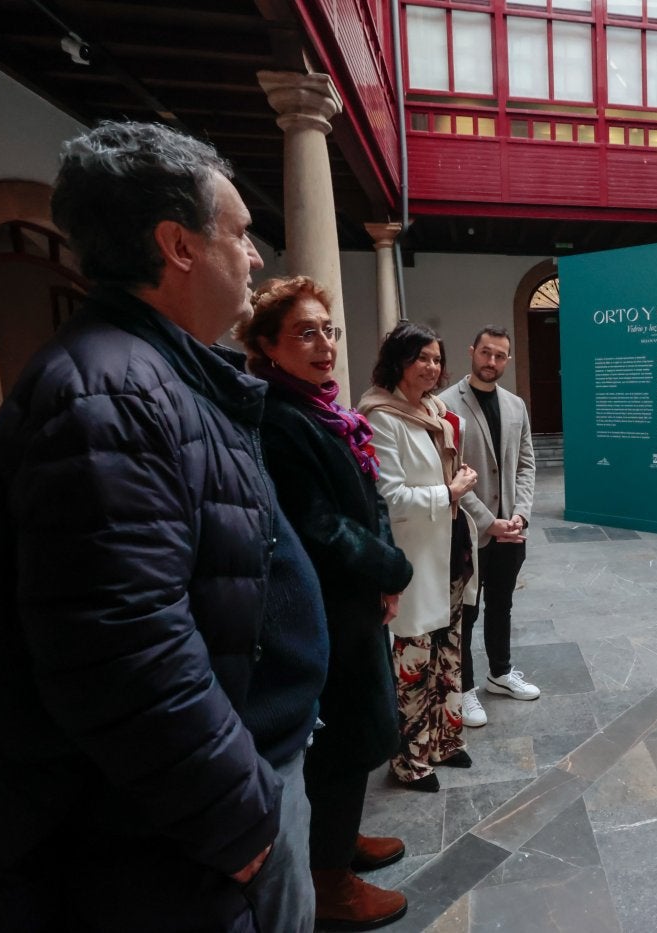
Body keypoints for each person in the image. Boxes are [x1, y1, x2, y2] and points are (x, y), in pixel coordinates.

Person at [0, 121, 299, 931]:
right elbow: (125, 645)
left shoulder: (155, 373)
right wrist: (234, 812)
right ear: (177, 244)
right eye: (240, 235)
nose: (254, 258)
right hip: (146, 847)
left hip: (164, 827)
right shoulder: (109, 396)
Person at [238, 276, 415, 929]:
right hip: (323, 606)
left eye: (329, 330)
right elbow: (315, 522)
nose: (324, 344)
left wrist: (386, 575)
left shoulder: (324, 409)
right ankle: (330, 881)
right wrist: (389, 564)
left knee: (357, 735)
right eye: (305, 332)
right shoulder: (281, 420)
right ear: (267, 345)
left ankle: (337, 844)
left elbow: (368, 502)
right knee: (342, 740)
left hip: (357, 595)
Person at [359, 323, 477, 792]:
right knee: (414, 659)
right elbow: (388, 496)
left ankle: (445, 740)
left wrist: (456, 483)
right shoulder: (380, 415)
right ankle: (409, 760)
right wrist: (449, 490)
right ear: (398, 361)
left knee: (448, 652)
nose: (431, 367)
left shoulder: (435, 409)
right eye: (421, 358)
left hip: (450, 548)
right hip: (415, 555)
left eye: (435, 359)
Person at [438, 326, 540, 728]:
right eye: (485, 353)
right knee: (467, 611)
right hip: (469, 529)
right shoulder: (446, 404)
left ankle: (500, 673)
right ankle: (464, 689)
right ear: (472, 351)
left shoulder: (515, 405)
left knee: (503, 604)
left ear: (508, 359)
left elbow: (527, 463)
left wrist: (522, 514)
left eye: (499, 355)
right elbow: (451, 472)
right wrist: (488, 521)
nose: (491, 362)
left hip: (511, 530)